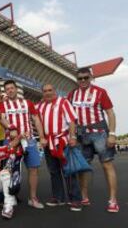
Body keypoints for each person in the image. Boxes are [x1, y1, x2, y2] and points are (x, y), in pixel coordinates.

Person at [67, 67, 119, 212]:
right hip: (81, 134)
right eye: (80, 78)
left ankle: (113, 200)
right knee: (82, 167)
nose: (83, 80)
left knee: (107, 165)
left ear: (90, 77)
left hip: (100, 133)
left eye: (86, 78)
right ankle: (84, 196)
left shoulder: (100, 92)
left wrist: (113, 133)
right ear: (76, 80)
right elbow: (70, 117)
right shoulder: (72, 94)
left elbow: (110, 113)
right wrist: (71, 135)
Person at [0, 80, 47, 209]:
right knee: (9, 171)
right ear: (5, 91)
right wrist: (10, 127)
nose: (10, 90)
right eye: (7, 89)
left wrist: (41, 137)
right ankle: (10, 198)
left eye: (12, 88)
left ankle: (33, 198)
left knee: (33, 169)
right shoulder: (2, 104)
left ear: (16, 89)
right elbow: (1, 119)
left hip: (29, 140)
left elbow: (36, 119)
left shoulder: (28, 102)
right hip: (11, 141)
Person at [36, 84, 82, 211]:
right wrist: (41, 137)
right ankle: (58, 197)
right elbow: (35, 119)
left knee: (69, 170)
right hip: (48, 142)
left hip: (63, 141)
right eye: (45, 91)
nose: (47, 93)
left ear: (54, 91)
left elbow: (72, 120)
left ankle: (75, 199)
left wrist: (73, 137)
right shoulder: (40, 106)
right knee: (53, 171)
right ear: (42, 93)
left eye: (50, 90)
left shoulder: (63, 102)